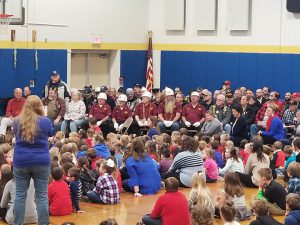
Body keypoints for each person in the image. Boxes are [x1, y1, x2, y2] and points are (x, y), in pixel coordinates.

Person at [12, 95, 54, 225]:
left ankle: (17, 223)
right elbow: (51, 133)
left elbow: (15, 134)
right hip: (41, 161)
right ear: (39, 106)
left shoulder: (17, 121)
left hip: (21, 161)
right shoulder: (45, 121)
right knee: (41, 196)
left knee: (19, 196)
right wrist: (45, 115)